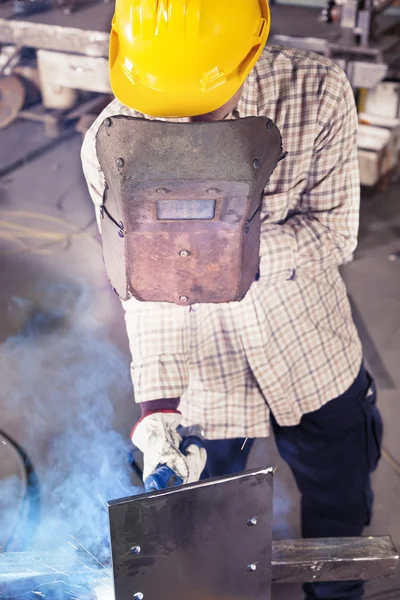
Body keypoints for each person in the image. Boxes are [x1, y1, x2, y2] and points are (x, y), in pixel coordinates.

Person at [81, 1, 383, 598]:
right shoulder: (112, 141)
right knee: (201, 535)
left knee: (339, 507)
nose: (185, 126)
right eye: (166, 107)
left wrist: (226, 247)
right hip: (203, 376)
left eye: (204, 104)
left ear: (249, 53)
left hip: (310, 351)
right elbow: (146, 290)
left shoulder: (314, 91)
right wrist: (159, 407)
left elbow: (333, 231)